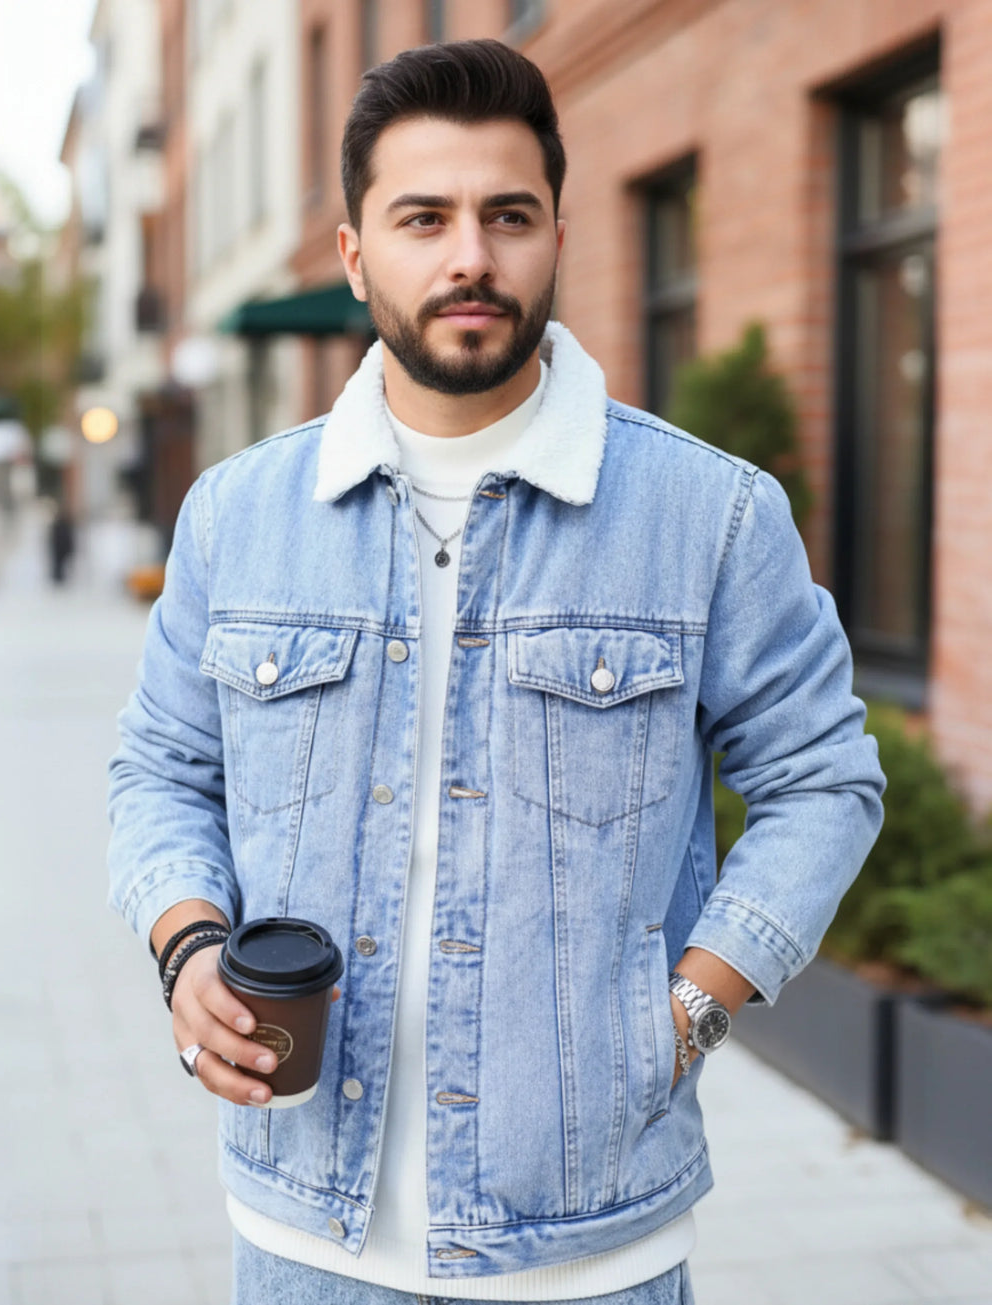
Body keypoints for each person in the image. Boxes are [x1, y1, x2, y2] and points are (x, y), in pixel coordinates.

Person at [108, 39, 885, 1305]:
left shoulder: (711, 516)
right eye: (424, 218)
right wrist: (187, 949)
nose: (470, 255)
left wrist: (687, 1010)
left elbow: (826, 779)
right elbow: (161, 766)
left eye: (507, 215)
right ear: (356, 255)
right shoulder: (237, 516)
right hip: (305, 1239)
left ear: (557, 237)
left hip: (593, 1252)